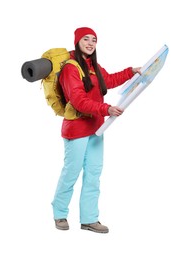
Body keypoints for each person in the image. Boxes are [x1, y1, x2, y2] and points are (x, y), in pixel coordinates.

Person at [51, 27, 141, 233]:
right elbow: (79, 101)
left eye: (94, 40)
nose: (91, 43)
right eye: (86, 39)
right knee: (71, 172)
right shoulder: (70, 68)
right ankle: (59, 213)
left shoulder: (93, 66)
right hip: (76, 129)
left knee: (93, 173)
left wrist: (130, 72)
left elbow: (108, 81)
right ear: (77, 41)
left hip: (96, 128)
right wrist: (106, 108)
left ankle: (89, 219)